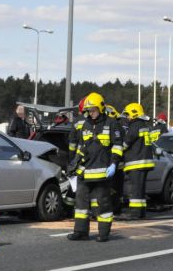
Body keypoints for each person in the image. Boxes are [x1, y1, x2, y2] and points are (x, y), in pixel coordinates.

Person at [68, 92, 123, 242]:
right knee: (81, 204)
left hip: (102, 172)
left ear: (100, 108)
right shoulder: (85, 125)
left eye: (93, 110)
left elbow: (117, 146)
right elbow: (81, 147)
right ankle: (80, 231)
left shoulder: (112, 124)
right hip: (84, 172)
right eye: (88, 111)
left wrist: (113, 164)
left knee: (102, 203)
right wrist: (74, 164)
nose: (90, 113)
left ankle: (103, 233)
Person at [120, 103, 155, 219]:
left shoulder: (134, 126)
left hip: (136, 163)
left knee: (135, 189)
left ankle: (135, 213)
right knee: (140, 189)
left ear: (134, 114)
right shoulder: (144, 125)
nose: (127, 118)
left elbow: (125, 143)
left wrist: (116, 150)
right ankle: (141, 212)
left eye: (128, 115)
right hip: (145, 162)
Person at [65, 97, 87, 207]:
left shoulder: (77, 121)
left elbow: (72, 143)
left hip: (78, 158)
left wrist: (71, 160)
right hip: (94, 159)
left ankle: (68, 207)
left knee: (75, 183)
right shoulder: (98, 120)